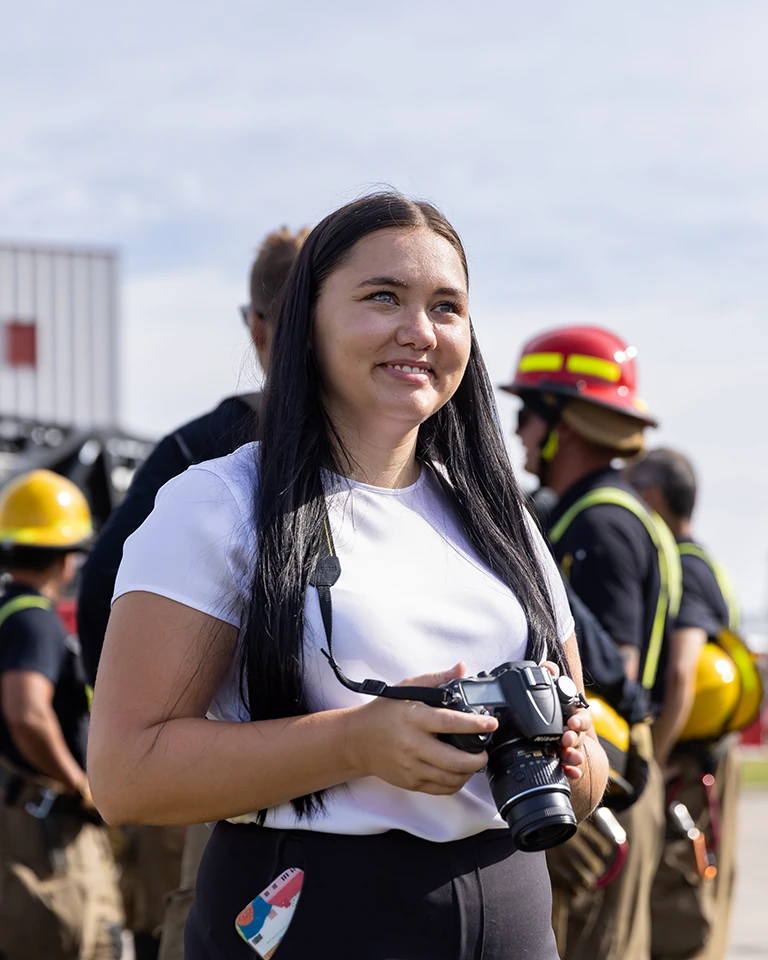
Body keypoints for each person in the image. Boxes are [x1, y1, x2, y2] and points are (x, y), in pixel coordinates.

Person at [88, 192, 608, 960]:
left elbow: (586, 760)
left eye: (447, 307)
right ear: (306, 325)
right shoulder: (218, 505)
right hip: (310, 912)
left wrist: (574, 757)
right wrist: (358, 744)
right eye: (382, 297)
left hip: (514, 910)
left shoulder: (505, 521)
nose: (419, 331)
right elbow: (126, 775)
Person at [77, 225, 309, 960]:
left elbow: (99, 606)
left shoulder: (193, 452)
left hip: (230, 800)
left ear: (258, 327)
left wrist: (171, 734)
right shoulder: (401, 465)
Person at [502, 324, 681, 960]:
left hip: (601, 786)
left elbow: (614, 674)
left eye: (528, 412)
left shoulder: (599, 525)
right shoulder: (609, 510)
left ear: (565, 424)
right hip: (613, 779)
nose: (518, 430)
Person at [0, 470, 123, 960]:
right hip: (43, 824)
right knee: (77, 935)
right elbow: (27, 712)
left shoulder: (10, 611)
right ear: (67, 556)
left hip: (21, 817)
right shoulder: (35, 621)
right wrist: (78, 781)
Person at [628, 448, 744, 960]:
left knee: (679, 913)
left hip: (691, 768)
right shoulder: (707, 561)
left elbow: (681, 675)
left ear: (653, 498)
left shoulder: (686, 567)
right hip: (711, 759)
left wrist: (653, 764)